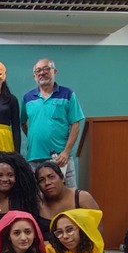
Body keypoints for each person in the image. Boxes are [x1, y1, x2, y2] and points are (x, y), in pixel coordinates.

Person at [22, 59, 85, 187]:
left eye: (46, 69)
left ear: (54, 71)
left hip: (61, 159)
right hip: (34, 159)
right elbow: (23, 122)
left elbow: (75, 124)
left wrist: (66, 152)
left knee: (69, 197)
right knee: (38, 200)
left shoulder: (67, 94)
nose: (42, 73)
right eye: (38, 71)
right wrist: (37, 138)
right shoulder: (27, 98)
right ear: (34, 76)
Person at [34, 160, 100, 238]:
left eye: (51, 177)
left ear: (62, 178)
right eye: (41, 180)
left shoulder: (82, 198)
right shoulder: (37, 202)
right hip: (46, 248)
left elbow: (98, 229)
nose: (47, 183)